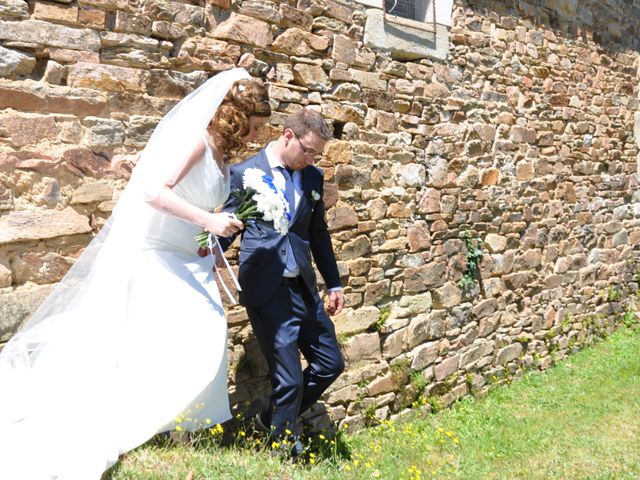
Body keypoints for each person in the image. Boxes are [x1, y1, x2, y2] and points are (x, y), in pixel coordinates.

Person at [0, 68, 270, 479]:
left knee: (203, 330)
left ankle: (173, 420)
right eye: (253, 127)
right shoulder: (197, 143)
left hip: (190, 256)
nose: (254, 137)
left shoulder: (221, 154)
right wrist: (208, 220)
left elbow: (196, 204)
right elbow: (153, 191)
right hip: (159, 254)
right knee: (191, 330)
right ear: (234, 116)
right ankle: (144, 418)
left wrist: (208, 237)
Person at [219, 109, 345, 455]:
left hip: (303, 287)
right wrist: (208, 249)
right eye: (307, 150)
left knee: (330, 363)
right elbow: (230, 223)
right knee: (288, 379)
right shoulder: (245, 174)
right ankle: (281, 451)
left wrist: (333, 283)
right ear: (287, 135)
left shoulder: (313, 179)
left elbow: (318, 234)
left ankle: (273, 418)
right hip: (267, 288)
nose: (311, 158)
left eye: (316, 153)